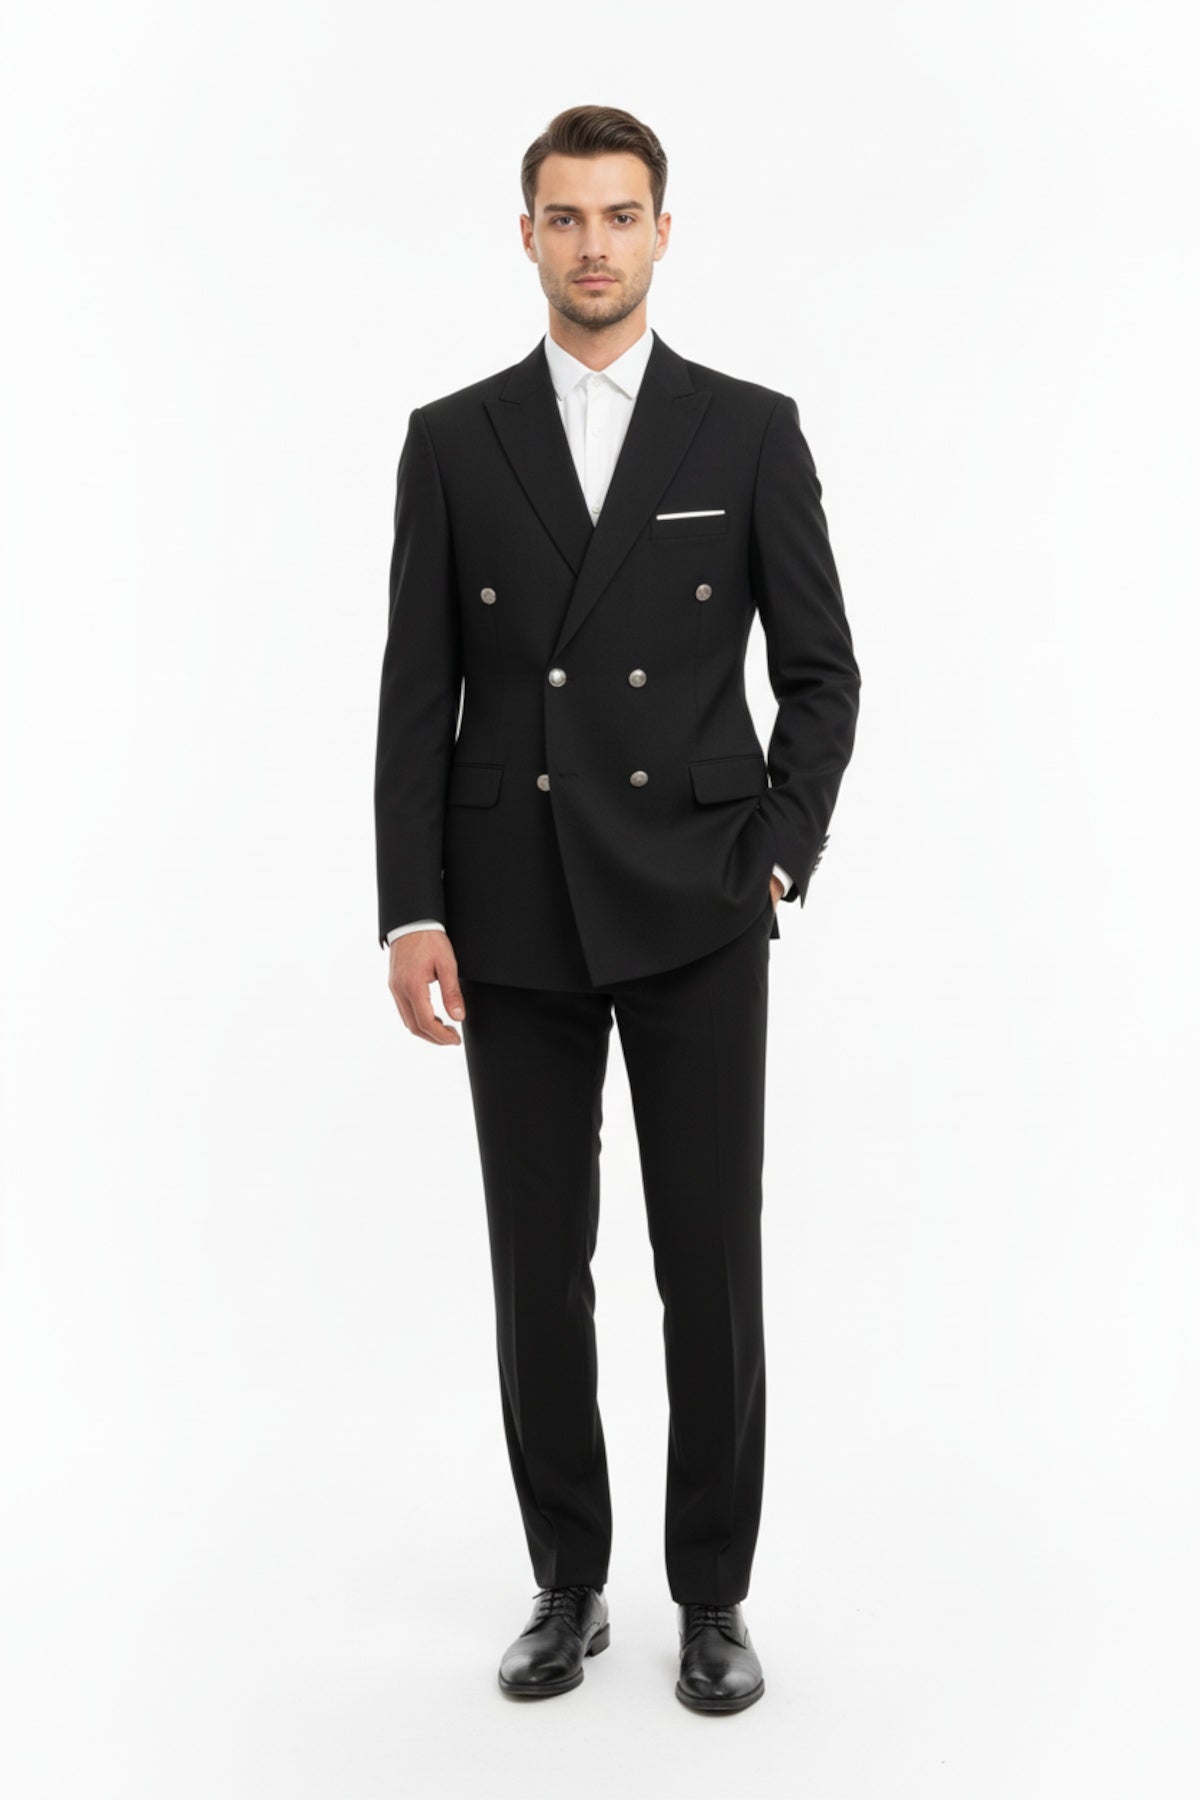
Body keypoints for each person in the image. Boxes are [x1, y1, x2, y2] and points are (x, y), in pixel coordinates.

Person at [374, 102, 860, 1712]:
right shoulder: (453, 438)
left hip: (699, 900)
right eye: (567, 217)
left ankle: (712, 1595)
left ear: (664, 230)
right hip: (510, 904)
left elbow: (822, 675)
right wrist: (410, 909)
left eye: (621, 214)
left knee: (708, 1258)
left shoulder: (749, 430)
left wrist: (776, 851)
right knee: (540, 1266)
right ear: (527, 235)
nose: (595, 245)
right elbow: (417, 694)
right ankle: (568, 1583)